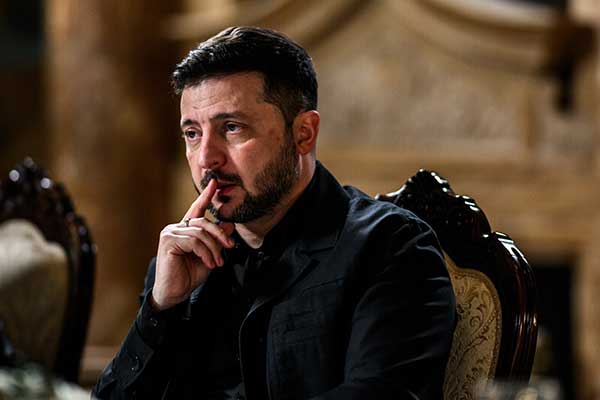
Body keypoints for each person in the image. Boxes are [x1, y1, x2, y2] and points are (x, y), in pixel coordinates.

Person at [93, 26, 456, 400]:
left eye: (231, 128)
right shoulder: (184, 261)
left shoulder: (390, 247)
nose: (206, 159)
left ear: (304, 133)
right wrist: (159, 310)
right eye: (192, 134)